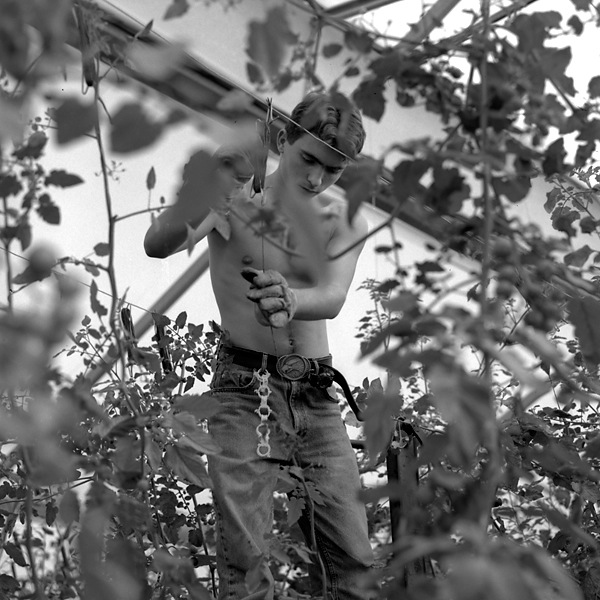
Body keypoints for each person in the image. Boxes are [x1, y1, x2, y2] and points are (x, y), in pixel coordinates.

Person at [144, 91, 376, 600]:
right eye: (308, 160)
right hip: (244, 390)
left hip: (316, 395)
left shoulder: (343, 218)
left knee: (355, 562)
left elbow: (333, 297)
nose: (316, 178)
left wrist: (293, 299)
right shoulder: (234, 201)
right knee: (245, 564)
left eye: (333, 171)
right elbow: (157, 244)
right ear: (282, 139)